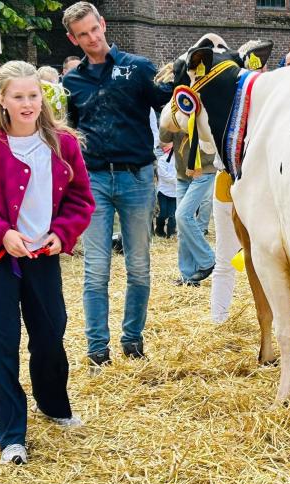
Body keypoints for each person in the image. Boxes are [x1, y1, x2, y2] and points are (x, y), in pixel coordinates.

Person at [0, 60, 94, 465]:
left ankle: (53, 404)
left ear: (43, 97)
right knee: (2, 343)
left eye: (33, 95)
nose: (27, 103)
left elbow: (80, 199)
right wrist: (0, 233)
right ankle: (12, 435)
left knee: (51, 333)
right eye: (18, 96)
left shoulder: (63, 144)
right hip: (0, 257)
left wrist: (63, 233)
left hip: (43, 257)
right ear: (2, 99)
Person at [62, 1, 172, 364]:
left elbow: (168, 103)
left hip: (137, 178)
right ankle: (97, 349)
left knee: (138, 265)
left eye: (94, 29)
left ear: (103, 24)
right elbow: (71, 132)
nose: (92, 38)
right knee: (96, 269)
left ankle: (132, 339)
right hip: (93, 180)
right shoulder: (71, 82)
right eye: (83, 34)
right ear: (73, 39)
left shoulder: (137, 68)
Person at [159, 129, 216, 287]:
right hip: (182, 173)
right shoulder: (174, 107)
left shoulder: (204, 107)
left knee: (182, 216)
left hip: (204, 170)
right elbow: (164, 138)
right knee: (182, 225)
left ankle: (208, 260)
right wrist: (169, 118)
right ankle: (189, 277)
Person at [210, 170, 241, 323]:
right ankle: (219, 319)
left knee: (224, 262)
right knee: (225, 261)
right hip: (228, 185)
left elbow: (207, 148)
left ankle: (219, 319)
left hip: (230, 184)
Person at [154, 142, 177, 238]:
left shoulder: (179, 159)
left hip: (175, 193)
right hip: (163, 192)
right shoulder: (162, 160)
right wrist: (176, 180)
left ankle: (171, 233)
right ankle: (159, 229)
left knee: (173, 214)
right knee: (163, 213)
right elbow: (163, 175)